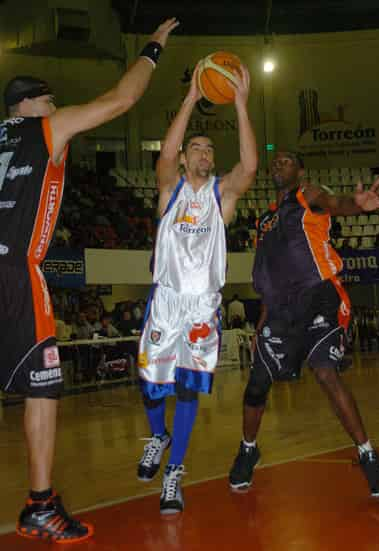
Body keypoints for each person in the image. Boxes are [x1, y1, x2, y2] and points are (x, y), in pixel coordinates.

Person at [0, 17, 178, 544]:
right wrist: (153, 48)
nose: (58, 113)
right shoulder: (45, 128)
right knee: (44, 389)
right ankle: (39, 504)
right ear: (37, 103)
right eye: (53, 104)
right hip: (14, 271)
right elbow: (123, 98)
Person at [228, 151, 379, 499]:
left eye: (287, 161)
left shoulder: (310, 195)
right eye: (276, 162)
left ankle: (368, 455)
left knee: (324, 371)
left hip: (320, 296)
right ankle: (248, 449)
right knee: (257, 384)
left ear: (300, 171)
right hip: (278, 310)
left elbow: (337, 202)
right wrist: (262, 322)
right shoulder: (264, 222)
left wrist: (357, 204)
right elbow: (269, 278)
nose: (278, 164)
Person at [137, 64, 257, 515]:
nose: (204, 151)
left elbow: (249, 165)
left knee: (186, 391)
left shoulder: (220, 198)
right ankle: (159, 435)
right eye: (196, 147)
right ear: (185, 158)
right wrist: (190, 98)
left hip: (202, 306)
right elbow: (165, 156)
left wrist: (241, 103)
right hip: (165, 300)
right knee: (150, 386)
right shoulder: (169, 190)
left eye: (209, 148)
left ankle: (174, 473)